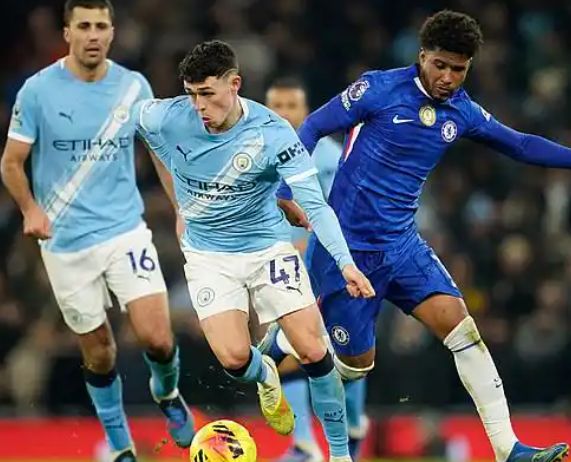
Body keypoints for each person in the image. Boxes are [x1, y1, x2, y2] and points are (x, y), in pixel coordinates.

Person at [269, 10, 571, 462]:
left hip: (402, 246)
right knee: (355, 366)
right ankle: (278, 350)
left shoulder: (463, 111)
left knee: (462, 327)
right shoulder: (378, 89)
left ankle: (508, 449)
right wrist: (286, 190)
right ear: (422, 55)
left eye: (458, 69)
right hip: (346, 250)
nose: (448, 78)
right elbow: (312, 126)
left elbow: (521, 145)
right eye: (440, 65)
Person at [134, 40, 375, 462]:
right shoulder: (167, 116)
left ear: (235, 85)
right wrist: (175, 201)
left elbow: (316, 206)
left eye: (207, 93)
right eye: (191, 94)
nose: (198, 105)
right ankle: (265, 373)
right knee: (233, 358)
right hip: (209, 257)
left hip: (268, 249)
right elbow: (130, 123)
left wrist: (346, 264)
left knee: (313, 349)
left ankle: (339, 455)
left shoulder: (273, 133)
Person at [0, 1, 194, 461]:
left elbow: (158, 151)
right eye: (83, 26)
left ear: (111, 32)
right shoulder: (38, 91)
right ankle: (120, 444)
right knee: (100, 351)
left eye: (101, 26)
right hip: (65, 243)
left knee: (158, 337)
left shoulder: (133, 86)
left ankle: (167, 393)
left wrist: (180, 209)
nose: (93, 34)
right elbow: (11, 163)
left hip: (124, 231)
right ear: (67, 33)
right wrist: (29, 209)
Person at [265, 78, 368, 462]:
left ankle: (353, 425)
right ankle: (305, 444)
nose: (283, 114)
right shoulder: (260, 153)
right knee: (292, 347)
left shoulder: (329, 157)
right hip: (279, 269)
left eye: (291, 106)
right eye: (276, 106)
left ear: (305, 112)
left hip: (327, 269)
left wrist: (315, 249)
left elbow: (344, 213)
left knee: (341, 353)